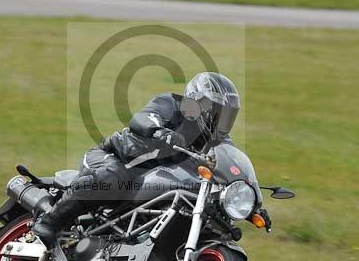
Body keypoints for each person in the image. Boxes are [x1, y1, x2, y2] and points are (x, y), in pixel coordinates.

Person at [32, 72, 241, 248]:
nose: (219, 120)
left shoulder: (216, 142)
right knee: (113, 176)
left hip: (151, 181)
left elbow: (230, 164)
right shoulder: (171, 104)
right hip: (114, 158)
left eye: (226, 115)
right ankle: (49, 222)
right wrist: (160, 131)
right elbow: (143, 119)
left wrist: (251, 196)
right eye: (215, 112)